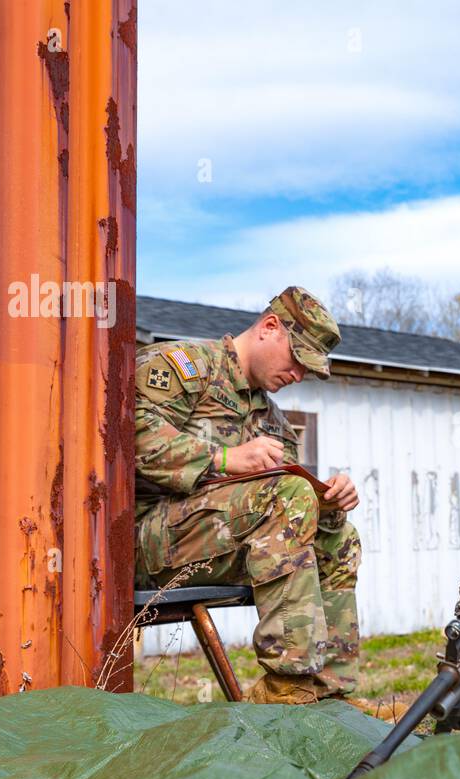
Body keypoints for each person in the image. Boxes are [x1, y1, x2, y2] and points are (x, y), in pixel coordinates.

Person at [134, 286, 363, 705]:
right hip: (147, 541)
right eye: (297, 361)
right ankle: (287, 686)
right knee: (289, 494)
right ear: (269, 327)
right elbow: (129, 437)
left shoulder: (271, 419)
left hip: (219, 546)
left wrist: (328, 504)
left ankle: (329, 693)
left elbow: (294, 502)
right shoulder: (185, 367)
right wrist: (224, 458)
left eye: (307, 371)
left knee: (340, 539)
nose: (297, 376)